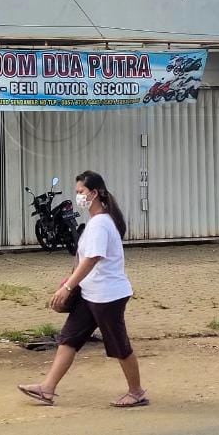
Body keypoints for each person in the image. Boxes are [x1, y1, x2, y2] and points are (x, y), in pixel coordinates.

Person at [17, 170, 148, 408]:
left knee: (119, 346)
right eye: (76, 192)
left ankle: (136, 392)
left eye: (81, 192)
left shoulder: (100, 224)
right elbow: (82, 258)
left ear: (95, 193)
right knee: (69, 339)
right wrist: (71, 280)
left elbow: (92, 259)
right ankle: (47, 388)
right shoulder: (97, 222)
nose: (78, 196)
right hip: (91, 294)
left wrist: (68, 286)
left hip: (108, 296)